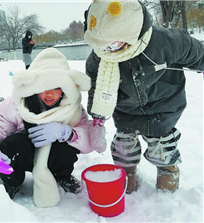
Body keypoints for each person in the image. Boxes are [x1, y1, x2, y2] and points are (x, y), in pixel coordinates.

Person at [83, 0, 204, 194]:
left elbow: (194, 51)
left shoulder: (165, 41)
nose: (106, 49)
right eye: (101, 44)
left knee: (163, 150)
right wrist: (97, 116)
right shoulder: (100, 56)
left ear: (129, 31)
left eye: (111, 43)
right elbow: (95, 85)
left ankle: (167, 182)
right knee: (124, 150)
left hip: (164, 106)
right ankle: (127, 179)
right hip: (125, 109)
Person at [0, 48, 106, 207]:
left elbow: (88, 141)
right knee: (10, 145)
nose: (49, 94)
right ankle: (11, 181)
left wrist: (67, 133)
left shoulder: (73, 109)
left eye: (56, 88)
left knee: (67, 148)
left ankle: (61, 176)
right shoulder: (18, 103)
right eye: (44, 87)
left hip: (54, 157)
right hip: (24, 154)